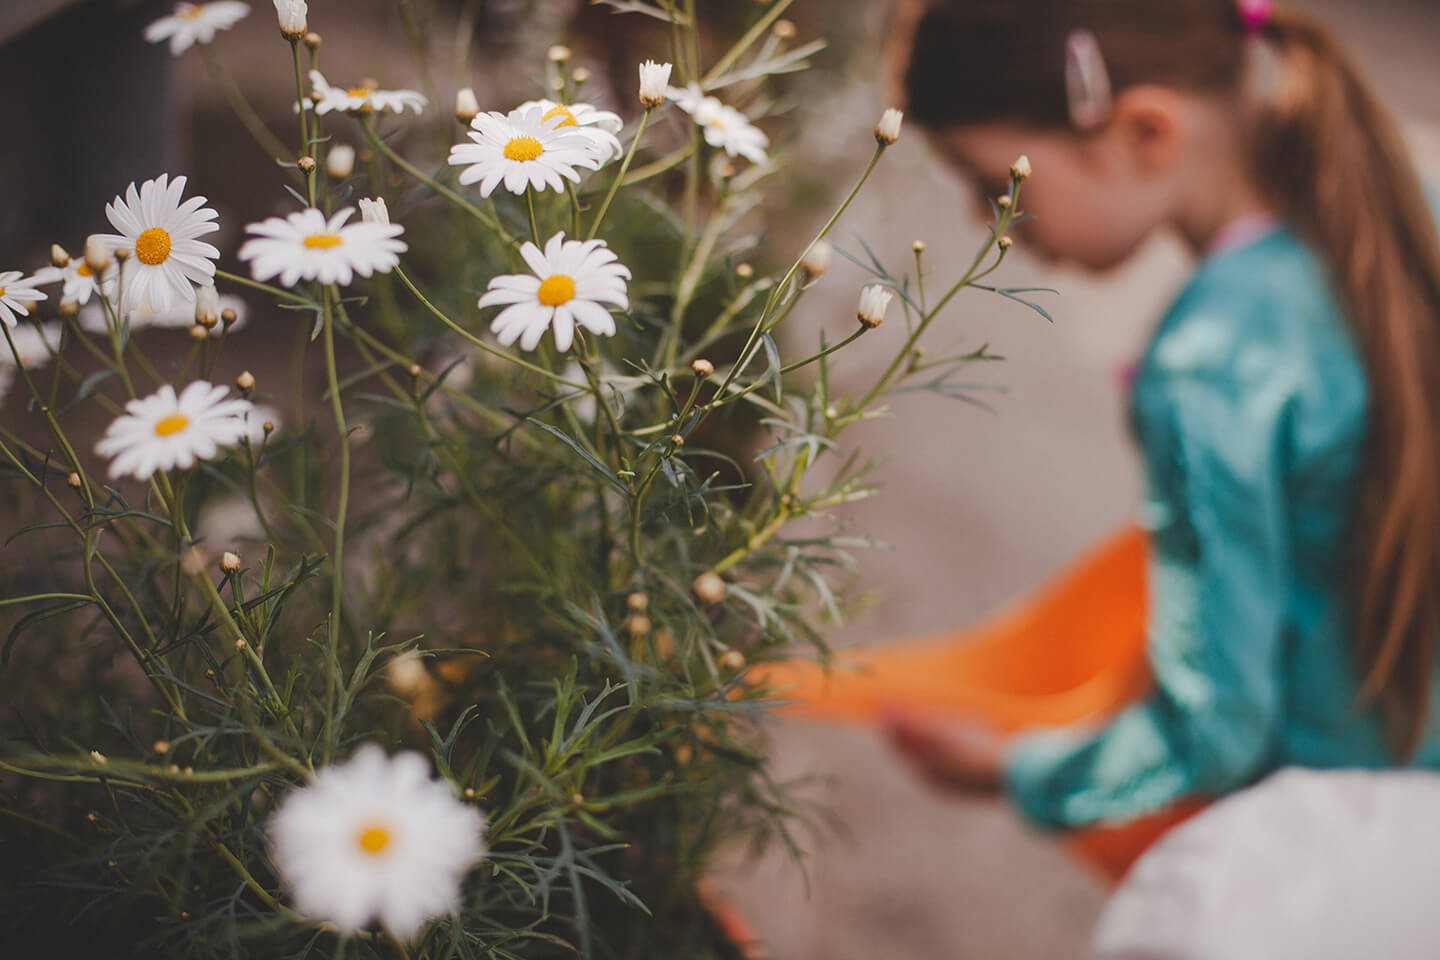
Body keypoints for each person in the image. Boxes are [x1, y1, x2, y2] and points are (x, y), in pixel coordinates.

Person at [768, 0, 1440, 881]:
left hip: (1341, 853)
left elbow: (1213, 731)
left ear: (1145, 132)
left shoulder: (1209, 366)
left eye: (996, 186)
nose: (984, 225)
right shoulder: (1402, 215)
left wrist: (1012, 770)